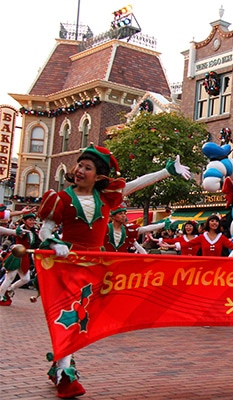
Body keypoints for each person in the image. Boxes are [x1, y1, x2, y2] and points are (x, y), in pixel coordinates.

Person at [36, 144, 191, 399]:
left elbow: (136, 184)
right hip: (68, 265)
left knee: (83, 318)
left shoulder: (106, 197)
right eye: (79, 165)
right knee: (70, 316)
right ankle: (65, 373)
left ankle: (61, 365)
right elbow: (45, 230)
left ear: (98, 176)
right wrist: (53, 242)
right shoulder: (61, 198)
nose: (80, 170)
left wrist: (166, 171)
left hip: (96, 267)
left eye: (87, 168)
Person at [0, 212, 41, 305]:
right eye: (30, 220)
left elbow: (37, 243)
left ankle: (10, 289)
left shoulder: (34, 232)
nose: (32, 222)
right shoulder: (21, 229)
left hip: (25, 256)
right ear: (24, 221)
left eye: (34, 220)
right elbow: (17, 232)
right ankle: (1, 296)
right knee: (9, 277)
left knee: (26, 279)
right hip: (16, 255)